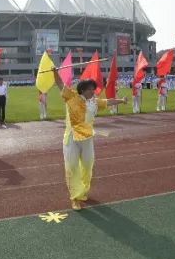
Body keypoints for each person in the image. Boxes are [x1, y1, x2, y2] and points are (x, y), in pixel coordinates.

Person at [52, 68, 125, 210]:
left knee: (87, 166)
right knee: (72, 167)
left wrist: (121, 101)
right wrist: (54, 72)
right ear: (83, 89)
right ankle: (75, 197)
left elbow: (108, 102)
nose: (93, 91)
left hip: (87, 139)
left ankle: (83, 191)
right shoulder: (71, 97)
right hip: (72, 138)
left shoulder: (95, 102)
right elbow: (60, 84)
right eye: (90, 89)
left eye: (93, 89)